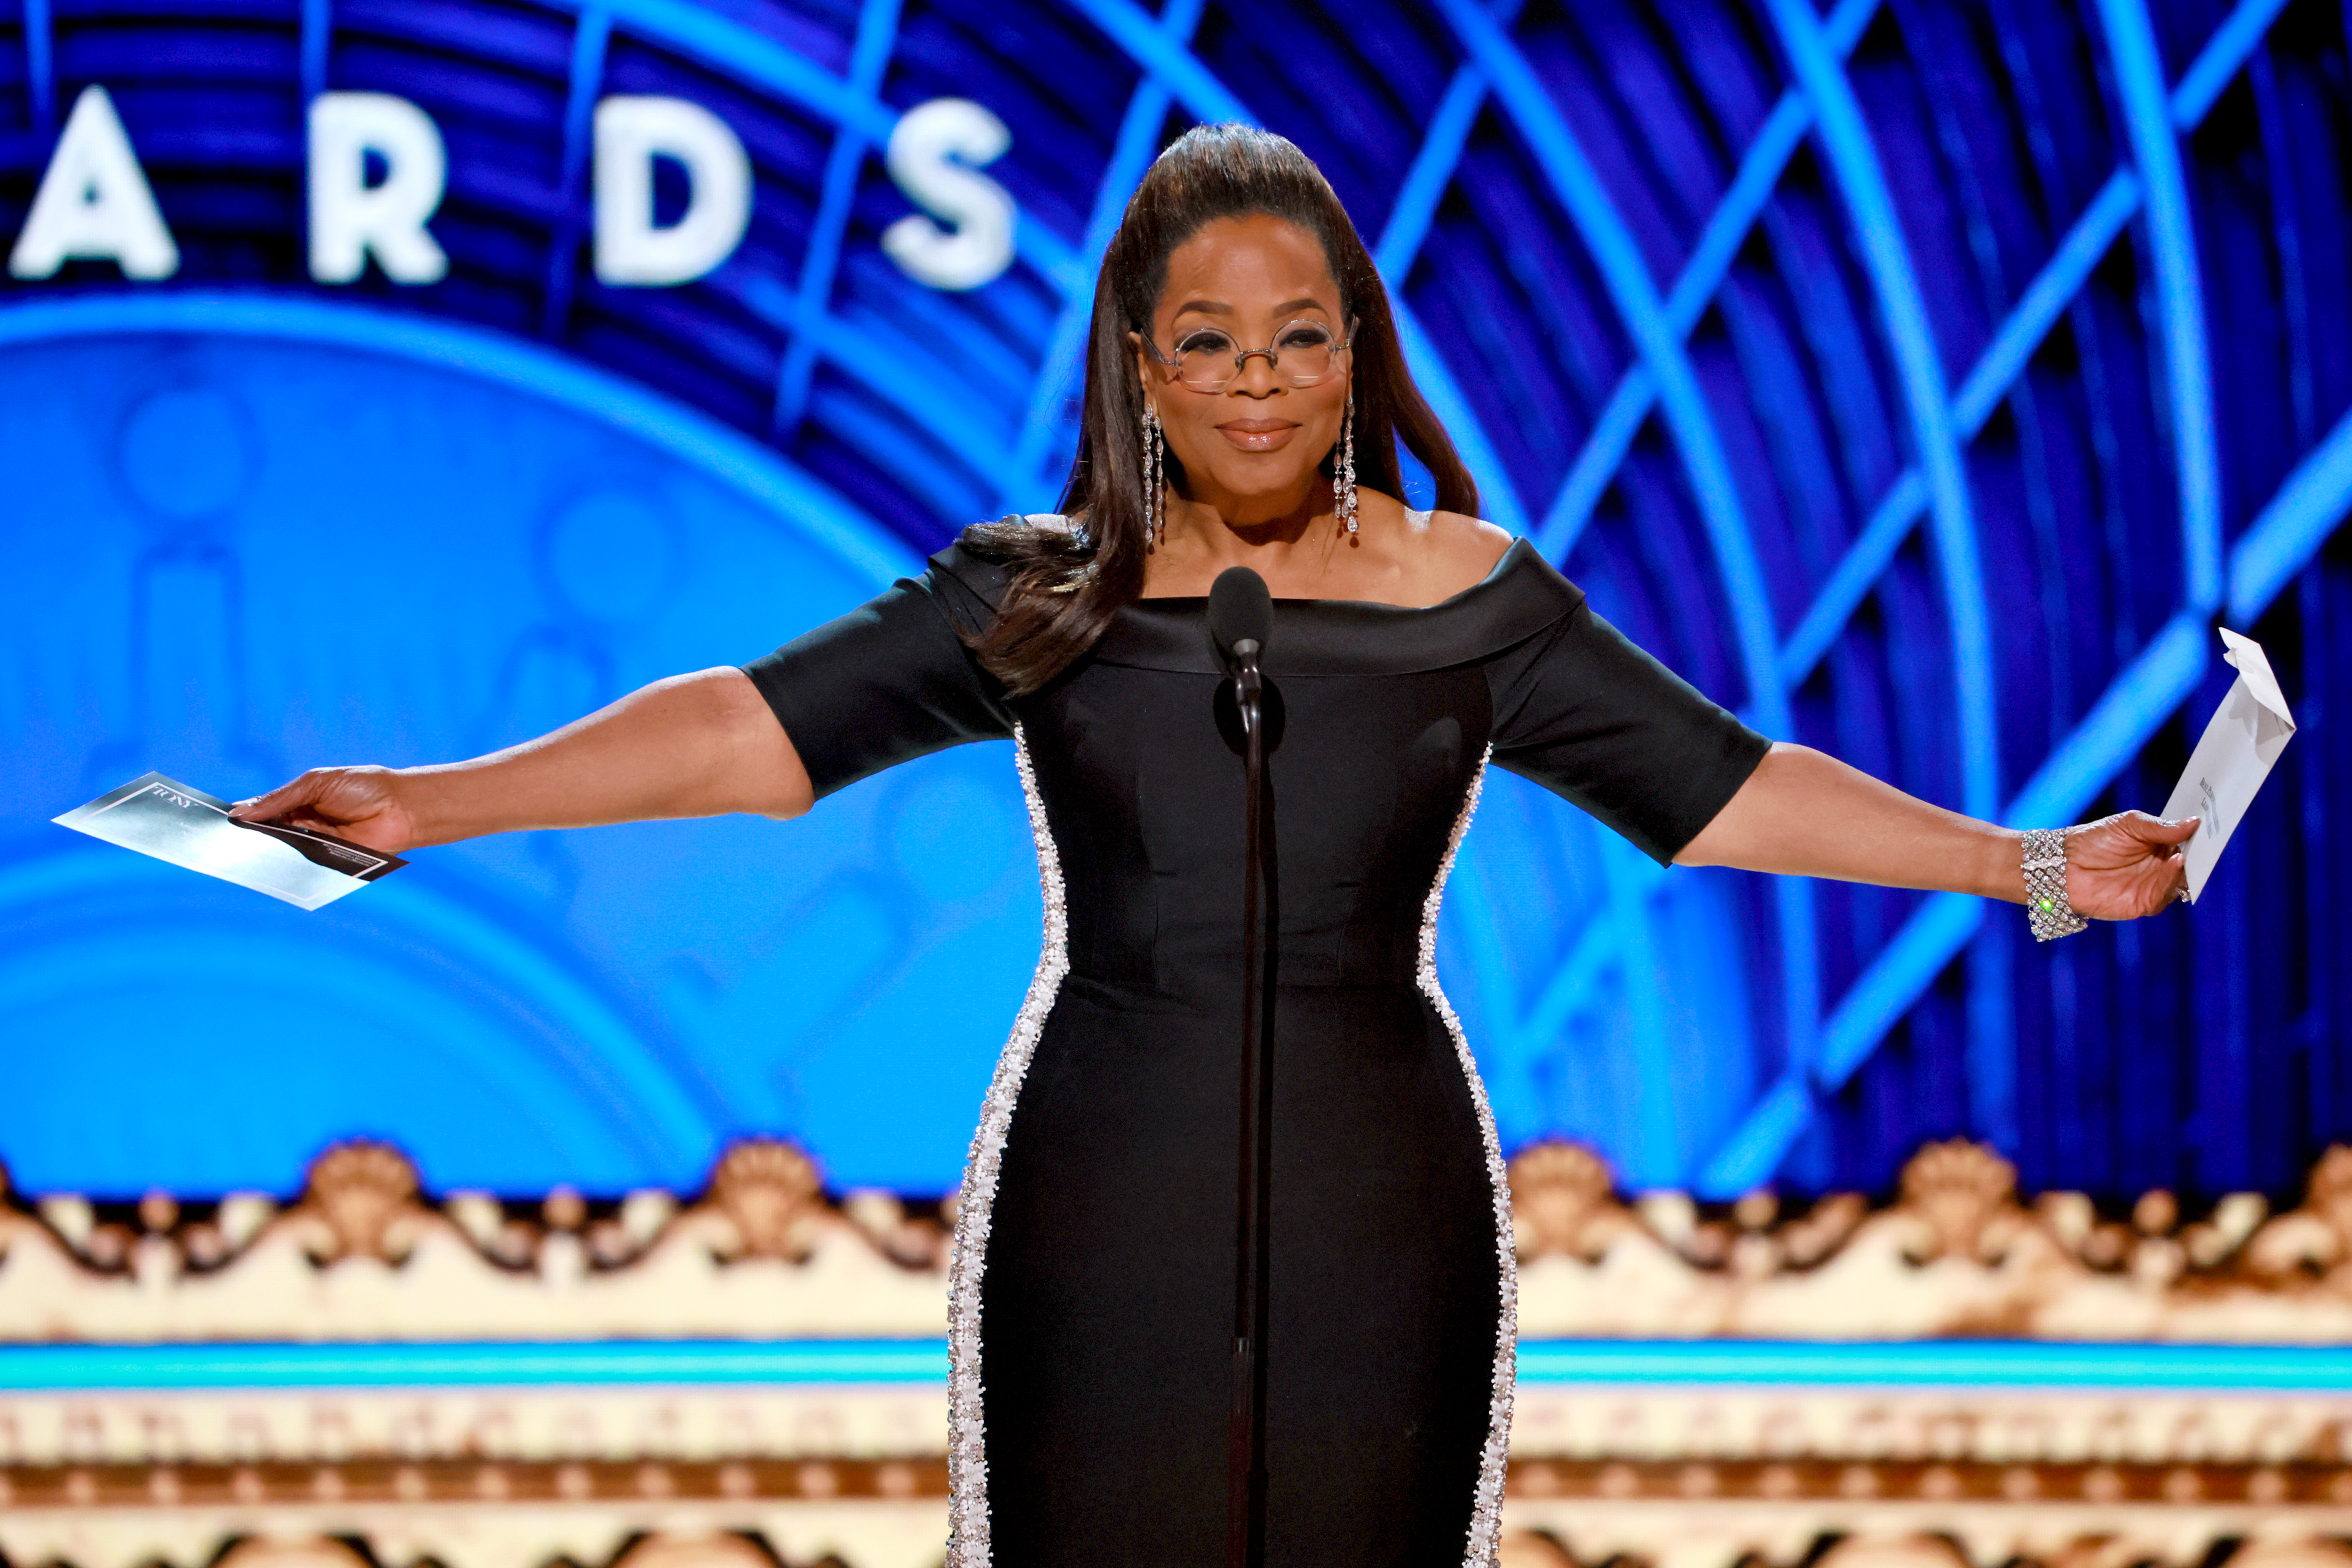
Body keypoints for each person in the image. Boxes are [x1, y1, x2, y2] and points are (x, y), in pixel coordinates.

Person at [237, 125, 2194, 1568]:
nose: (1256, 380)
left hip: (1383, 1190)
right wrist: (431, 804)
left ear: (1351, 350)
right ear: (1140, 364)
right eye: (1207, 341)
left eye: (1296, 336)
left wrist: (2019, 864)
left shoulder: (1473, 594)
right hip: (1104, 1188)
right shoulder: (1041, 592)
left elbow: (1714, 789)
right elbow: (748, 735)